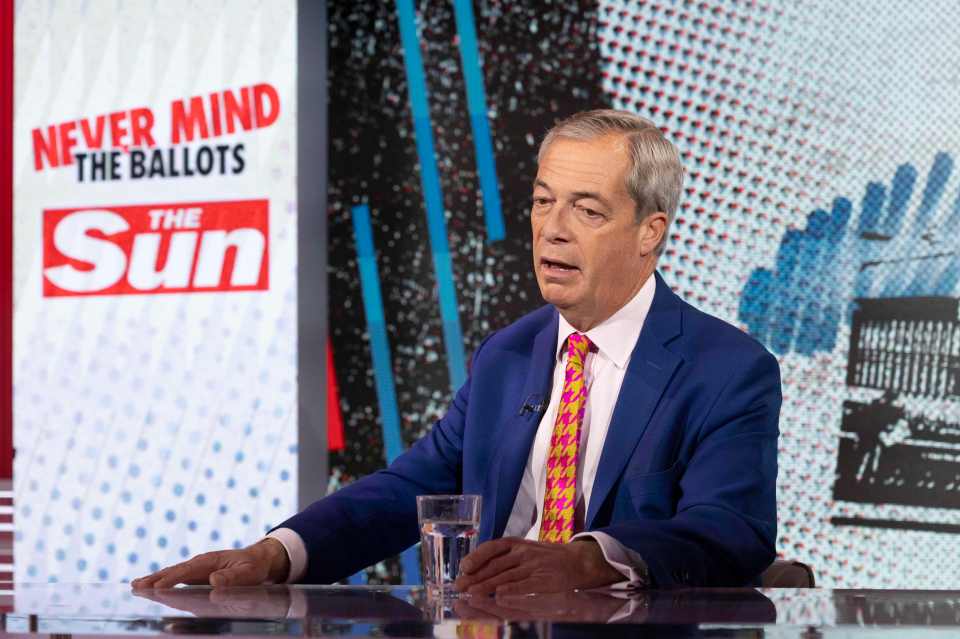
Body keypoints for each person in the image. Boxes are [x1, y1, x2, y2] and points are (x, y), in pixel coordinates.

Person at [132, 109, 781, 593]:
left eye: (586, 210)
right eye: (541, 202)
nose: (551, 229)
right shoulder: (508, 353)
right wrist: (279, 552)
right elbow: (410, 488)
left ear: (649, 233)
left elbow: (730, 528)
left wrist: (591, 558)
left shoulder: (727, 369)